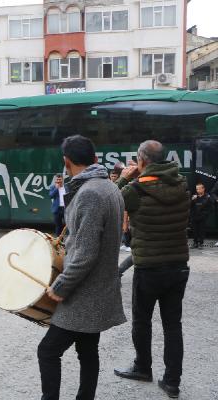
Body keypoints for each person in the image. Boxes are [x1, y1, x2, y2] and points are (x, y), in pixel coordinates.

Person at [38, 135, 126, 400]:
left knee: (48, 351)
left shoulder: (89, 194)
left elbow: (86, 253)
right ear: (95, 159)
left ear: (66, 162)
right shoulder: (110, 187)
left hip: (84, 293)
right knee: (88, 352)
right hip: (100, 289)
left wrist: (61, 286)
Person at [114, 140, 190, 399]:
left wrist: (125, 178)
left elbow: (111, 202)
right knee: (172, 325)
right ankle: (172, 382)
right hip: (179, 266)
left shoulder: (136, 189)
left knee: (142, 321)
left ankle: (142, 367)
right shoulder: (181, 184)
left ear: (143, 160)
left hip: (149, 268)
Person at [190, 183, 212, 248]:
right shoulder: (194, 196)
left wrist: (205, 214)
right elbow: (189, 206)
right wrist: (192, 200)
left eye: (199, 188)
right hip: (194, 216)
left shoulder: (207, 197)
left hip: (202, 217)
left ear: (203, 189)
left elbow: (210, 208)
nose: (198, 190)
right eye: (197, 189)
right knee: (194, 230)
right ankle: (195, 243)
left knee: (201, 230)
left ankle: (201, 243)